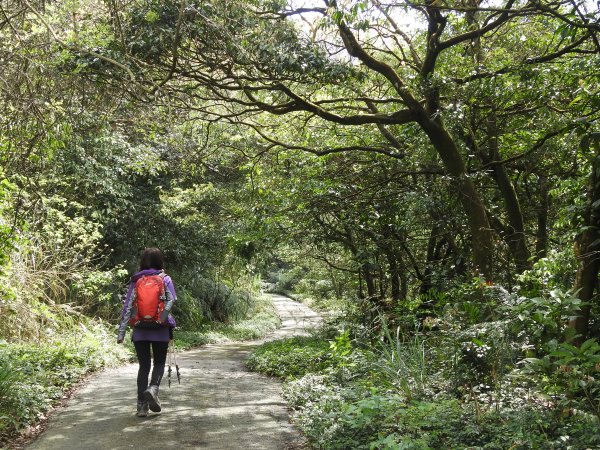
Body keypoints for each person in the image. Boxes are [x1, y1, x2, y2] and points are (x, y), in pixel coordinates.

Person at [117, 247, 177, 417]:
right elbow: (172, 301)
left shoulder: (136, 280)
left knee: (144, 366)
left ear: (142, 261)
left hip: (140, 330)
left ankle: (141, 407)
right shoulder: (165, 279)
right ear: (160, 261)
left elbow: (128, 306)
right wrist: (163, 318)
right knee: (158, 363)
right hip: (160, 329)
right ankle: (153, 389)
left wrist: (121, 333)